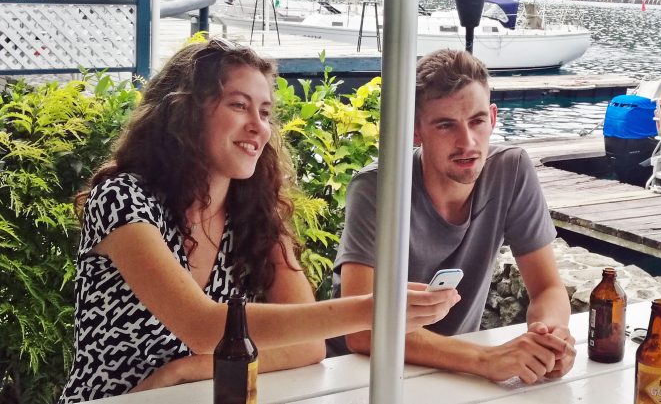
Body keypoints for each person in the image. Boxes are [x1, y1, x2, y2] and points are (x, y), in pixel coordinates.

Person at [60, 38, 459, 403]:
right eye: (238, 105)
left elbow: (309, 346)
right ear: (185, 112)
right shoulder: (122, 198)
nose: (258, 126)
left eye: (265, 111)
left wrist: (189, 370)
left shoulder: (254, 212)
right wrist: (377, 308)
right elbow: (201, 325)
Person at [331, 48, 576, 384]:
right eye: (446, 125)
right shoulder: (378, 187)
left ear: (493, 117)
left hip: (456, 375)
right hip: (358, 375)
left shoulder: (512, 169)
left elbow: (548, 287)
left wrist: (550, 337)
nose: (467, 142)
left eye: (477, 121)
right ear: (417, 131)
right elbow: (361, 331)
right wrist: (486, 358)